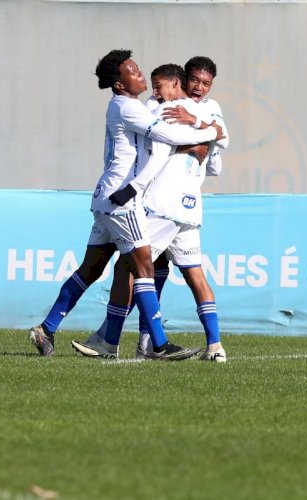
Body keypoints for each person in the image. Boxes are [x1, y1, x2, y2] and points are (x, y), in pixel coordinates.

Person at [28, 49, 222, 360]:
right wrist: (212, 132)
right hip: (121, 200)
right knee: (142, 265)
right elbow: (165, 134)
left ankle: (47, 328)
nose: (141, 74)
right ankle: (157, 344)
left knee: (91, 269)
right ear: (120, 84)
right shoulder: (128, 107)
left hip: (108, 196)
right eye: (133, 71)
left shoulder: (129, 105)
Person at [85, 57, 229, 362]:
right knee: (189, 274)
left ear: (174, 83)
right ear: (185, 79)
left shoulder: (165, 107)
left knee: (130, 267)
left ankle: (110, 336)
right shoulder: (211, 111)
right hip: (191, 208)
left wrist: (192, 134)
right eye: (196, 81)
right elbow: (218, 151)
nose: (199, 88)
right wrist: (205, 136)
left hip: (164, 203)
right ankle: (213, 346)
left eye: (205, 83)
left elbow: (158, 141)